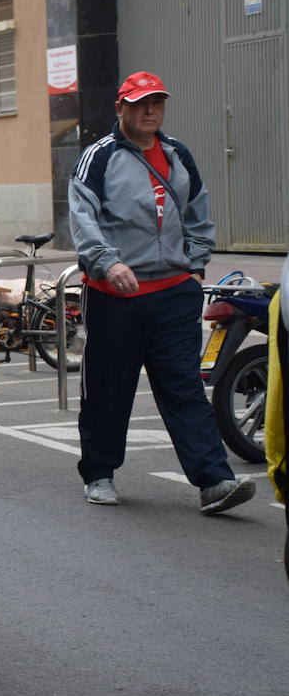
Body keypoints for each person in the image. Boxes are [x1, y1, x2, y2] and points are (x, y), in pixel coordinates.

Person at [69, 70, 254, 513]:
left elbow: (197, 213)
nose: (149, 111)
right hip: (116, 295)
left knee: (183, 386)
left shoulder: (176, 154)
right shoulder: (100, 156)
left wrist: (195, 267)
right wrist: (107, 262)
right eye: (139, 104)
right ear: (121, 107)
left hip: (173, 292)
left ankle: (215, 481)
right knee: (109, 388)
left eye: (156, 103)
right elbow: (82, 216)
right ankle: (99, 473)